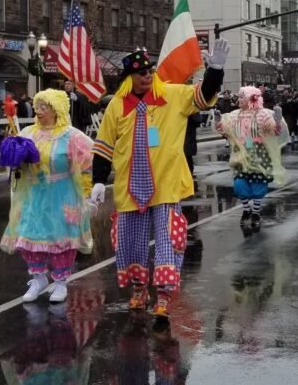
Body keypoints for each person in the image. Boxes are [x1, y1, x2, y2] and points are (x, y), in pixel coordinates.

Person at [90, 39, 229, 319]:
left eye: (150, 71)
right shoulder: (116, 107)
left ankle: (164, 295)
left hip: (165, 184)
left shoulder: (172, 96)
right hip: (130, 187)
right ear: (129, 78)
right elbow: (104, 146)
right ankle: (139, 289)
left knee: (167, 240)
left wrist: (214, 71)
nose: (148, 76)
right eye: (141, 73)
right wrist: (97, 181)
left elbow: (203, 96)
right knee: (131, 241)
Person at [0, 89, 95, 303]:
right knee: (29, 236)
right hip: (34, 194)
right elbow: (12, 163)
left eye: (44, 107)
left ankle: (60, 282)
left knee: (60, 239)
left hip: (61, 193)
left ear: (56, 110)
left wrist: (88, 194)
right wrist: (14, 155)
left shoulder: (71, 136)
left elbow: (88, 163)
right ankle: (38, 278)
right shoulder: (27, 133)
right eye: (38, 107)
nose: (39, 111)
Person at [215, 86, 288, 228]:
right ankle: (247, 209)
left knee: (258, 183)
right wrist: (218, 121)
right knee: (239, 184)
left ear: (251, 99)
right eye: (239, 97)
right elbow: (224, 129)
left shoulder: (263, 114)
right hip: (240, 153)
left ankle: (256, 212)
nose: (239, 99)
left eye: (242, 97)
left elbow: (272, 129)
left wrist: (277, 121)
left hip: (258, 152)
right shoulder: (235, 114)